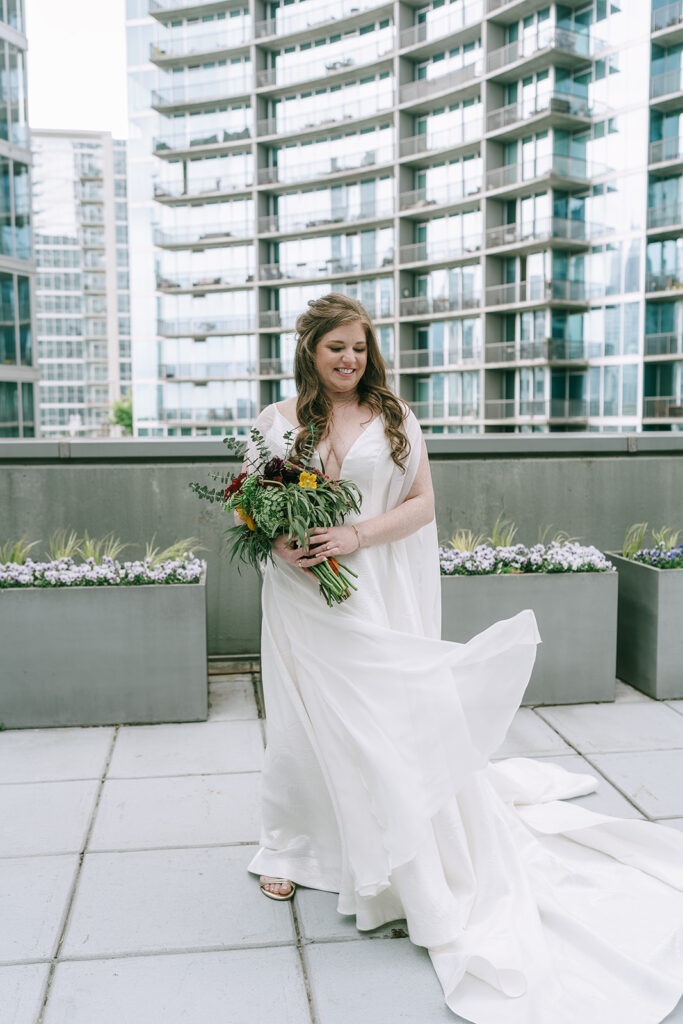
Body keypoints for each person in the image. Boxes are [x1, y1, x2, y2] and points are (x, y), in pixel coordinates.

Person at [241, 293, 683, 1023]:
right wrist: (283, 541)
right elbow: (253, 503)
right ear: (309, 352)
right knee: (304, 717)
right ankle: (293, 847)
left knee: (383, 719)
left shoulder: (394, 418)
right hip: (298, 594)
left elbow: (422, 504)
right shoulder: (276, 421)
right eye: (334, 349)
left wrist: (354, 538)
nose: (348, 359)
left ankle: (391, 853)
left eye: (357, 347)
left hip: (370, 582)